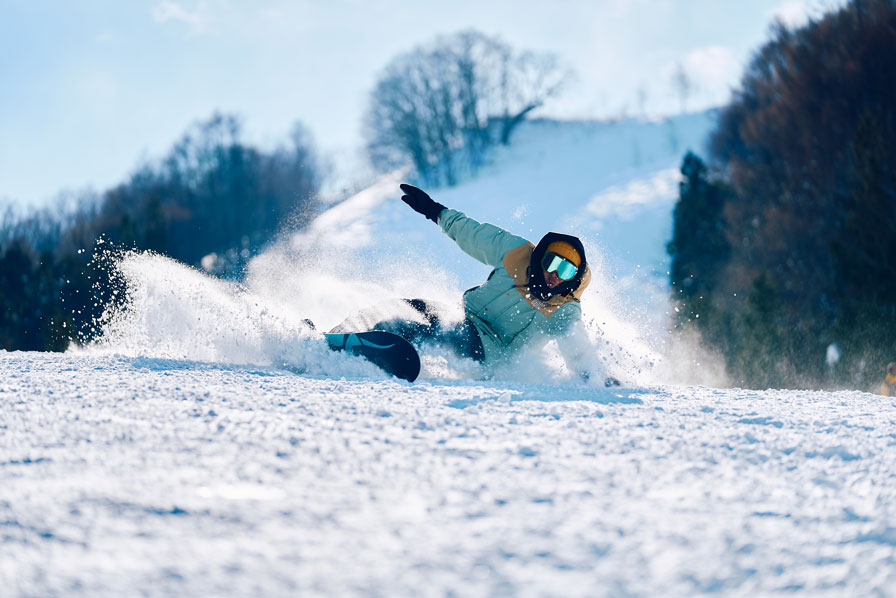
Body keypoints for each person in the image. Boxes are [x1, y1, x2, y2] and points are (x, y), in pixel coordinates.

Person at [333, 183, 606, 383]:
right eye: (551, 263)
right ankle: (333, 336)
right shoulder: (518, 253)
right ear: (541, 257)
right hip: (465, 316)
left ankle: (365, 353)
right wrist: (433, 210)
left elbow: (580, 355)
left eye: (566, 271)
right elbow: (472, 234)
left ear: (573, 278)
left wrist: (599, 382)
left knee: (407, 328)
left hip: (492, 352)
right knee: (403, 306)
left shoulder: (564, 309)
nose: (555, 274)